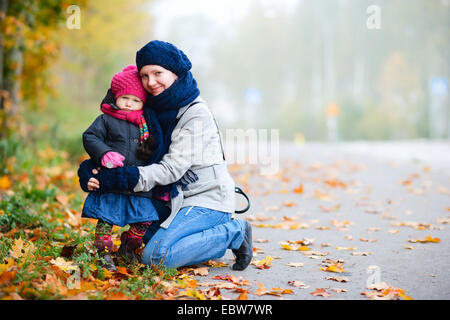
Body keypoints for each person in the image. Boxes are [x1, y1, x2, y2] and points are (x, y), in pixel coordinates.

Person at [78, 40, 253, 271]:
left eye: (158, 73)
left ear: (175, 72)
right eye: (144, 75)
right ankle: (195, 240)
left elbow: (171, 169)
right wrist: (92, 168)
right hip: (171, 200)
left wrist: (119, 178)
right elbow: (126, 148)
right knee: (147, 241)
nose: (151, 82)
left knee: (158, 256)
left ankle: (234, 232)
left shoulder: (195, 113)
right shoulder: (149, 109)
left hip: (206, 199)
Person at [81, 65, 170, 271]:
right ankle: (103, 254)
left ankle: (128, 247)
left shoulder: (146, 124)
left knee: (144, 221)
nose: (129, 103)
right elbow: (90, 136)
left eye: (135, 100)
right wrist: (103, 153)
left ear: (142, 102)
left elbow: (158, 149)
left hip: (138, 187)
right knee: (105, 221)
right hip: (111, 184)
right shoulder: (106, 119)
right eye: (125, 98)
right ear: (116, 97)